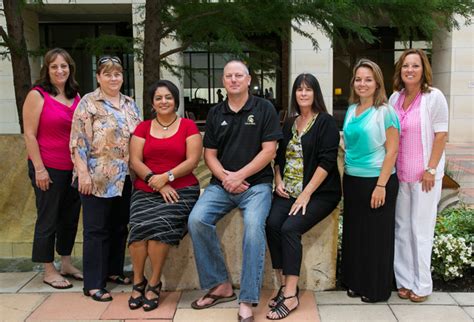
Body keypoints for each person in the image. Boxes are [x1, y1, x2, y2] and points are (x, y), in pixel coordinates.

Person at [187, 60, 282, 322]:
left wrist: (240, 175)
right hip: (222, 185)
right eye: (229, 76)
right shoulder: (217, 113)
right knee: (197, 220)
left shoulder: (264, 109)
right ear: (223, 81)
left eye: (239, 75)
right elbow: (210, 154)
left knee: (253, 227)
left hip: (256, 186)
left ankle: (247, 300)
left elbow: (269, 151)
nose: (234, 80)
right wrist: (226, 178)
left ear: (249, 79)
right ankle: (220, 284)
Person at [265, 73, 341, 320]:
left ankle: (290, 295)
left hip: (320, 193)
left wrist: (306, 194)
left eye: (308, 89)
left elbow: (327, 161)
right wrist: (278, 181)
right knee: (272, 224)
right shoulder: (288, 122)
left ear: (315, 93)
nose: (303, 93)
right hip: (289, 191)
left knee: (290, 228)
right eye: (299, 89)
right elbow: (279, 159)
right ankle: (283, 282)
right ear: (294, 94)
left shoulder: (326, 122)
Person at [70, 56, 141, 302]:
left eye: (117, 74)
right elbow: (78, 141)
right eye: (107, 74)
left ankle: (113, 271)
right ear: (99, 77)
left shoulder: (130, 104)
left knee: (119, 227)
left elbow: (138, 137)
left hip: (126, 177)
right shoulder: (88, 103)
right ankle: (93, 283)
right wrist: (83, 174)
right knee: (96, 230)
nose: (113, 78)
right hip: (96, 177)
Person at [127, 80, 202, 311]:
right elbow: (135, 160)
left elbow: (192, 161)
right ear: (152, 103)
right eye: (158, 98)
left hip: (182, 188)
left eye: (168, 97)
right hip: (146, 188)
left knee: (160, 227)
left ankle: (153, 283)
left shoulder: (188, 126)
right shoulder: (142, 127)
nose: (164, 101)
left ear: (176, 100)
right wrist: (155, 181)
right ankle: (138, 281)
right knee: (138, 228)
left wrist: (167, 177)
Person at [389, 49, 448, 303]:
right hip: (401, 176)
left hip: (425, 177)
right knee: (402, 229)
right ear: (400, 70)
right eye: (405, 66)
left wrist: (432, 168)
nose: (409, 70)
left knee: (421, 230)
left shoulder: (433, 97)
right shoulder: (394, 98)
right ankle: (404, 281)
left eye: (415, 65)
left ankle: (422, 285)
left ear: (423, 69)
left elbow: (441, 134)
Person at [23, 48, 82, 289]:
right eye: (54, 66)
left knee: (69, 218)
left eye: (64, 66)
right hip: (47, 166)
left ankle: (66, 263)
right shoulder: (37, 95)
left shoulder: (76, 95)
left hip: (73, 170)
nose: (60, 70)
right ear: (47, 70)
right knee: (48, 218)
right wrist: (39, 168)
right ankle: (48, 269)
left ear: (70, 69)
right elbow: (29, 134)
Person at [341, 59, 400, 303]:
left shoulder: (385, 111)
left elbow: (392, 151)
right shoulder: (351, 109)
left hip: (377, 180)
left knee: (376, 237)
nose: (362, 84)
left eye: (368, 79)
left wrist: (381, 185)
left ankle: (376, 289)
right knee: (356, 235)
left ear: (377, 83)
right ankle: (356, 281)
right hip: (352, 180)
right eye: (358, 79)